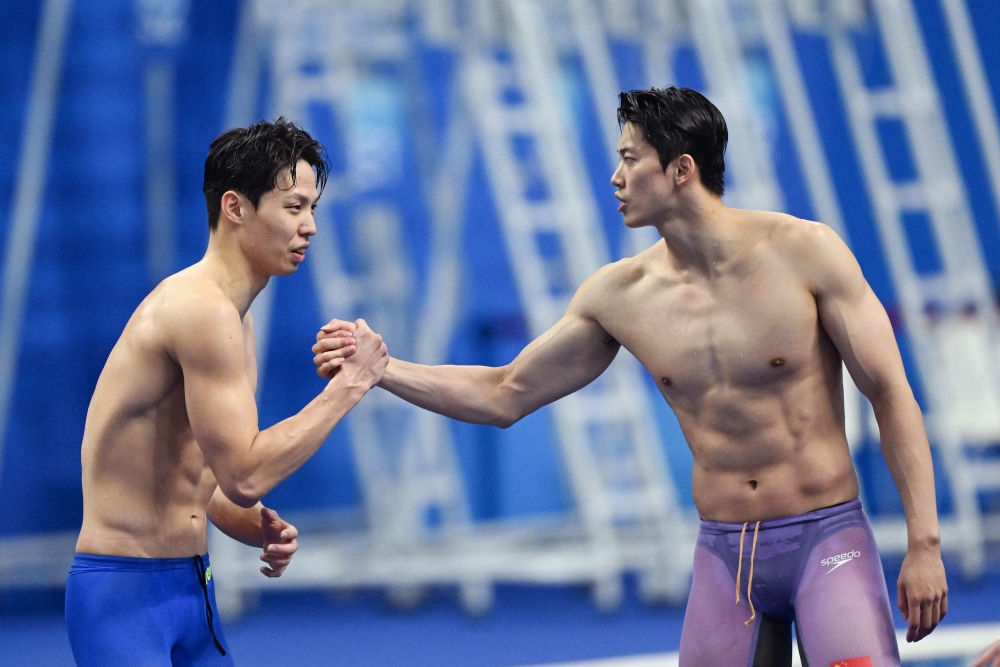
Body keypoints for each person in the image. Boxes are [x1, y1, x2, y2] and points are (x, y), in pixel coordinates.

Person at [313, 87, 948, 665]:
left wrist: (924, 543)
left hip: (826, 539)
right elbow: (504, 394)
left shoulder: (806, 252)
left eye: (629, 159)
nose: (615, 178)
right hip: (725, 555)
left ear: (681, 170)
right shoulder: (621, 295)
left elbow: (891, 395)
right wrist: (383, 369)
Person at [66, 118, 388, 666]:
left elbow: (214, 481)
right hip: (124, 597)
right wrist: (353, 383)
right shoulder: (199, 310)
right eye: (293, 207)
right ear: (235, 207)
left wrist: (256, 525)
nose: (310, 226)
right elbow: (246, 475)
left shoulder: (237, 319)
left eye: (312, 208)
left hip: (193, 588)